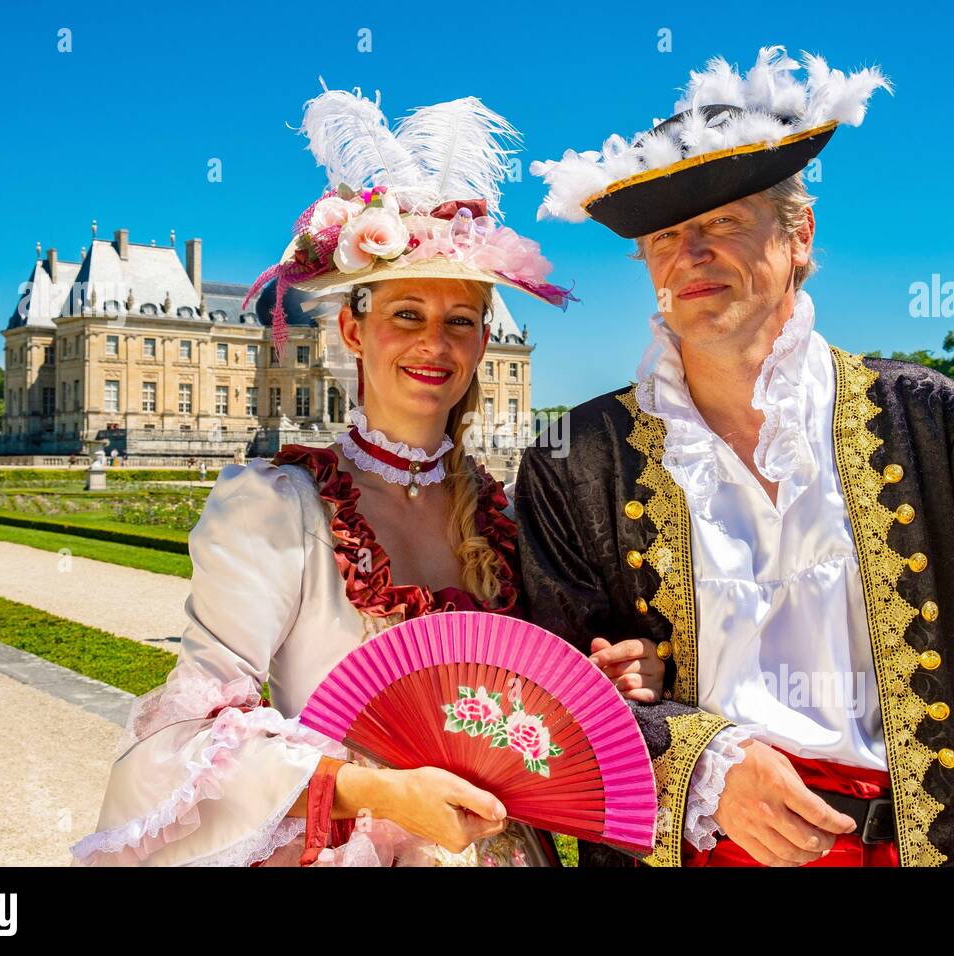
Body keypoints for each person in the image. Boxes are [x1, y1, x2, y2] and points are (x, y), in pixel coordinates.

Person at [518, 45, 954, 868]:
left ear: (800, 235)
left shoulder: (928, 420)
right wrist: (703, 765)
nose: (692, 253)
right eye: (668, 235)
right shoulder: (574, 456)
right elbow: (553, 699)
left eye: (724, 222)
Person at [70, 82, 576, 867]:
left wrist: (599, 675)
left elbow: (529, 708)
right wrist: (375, 793)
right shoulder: (282, 508)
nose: (433, 345)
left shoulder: (504, 514)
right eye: (406, 314)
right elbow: (191, 732)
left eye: (461, 323)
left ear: (484, 345)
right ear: (352, 327)